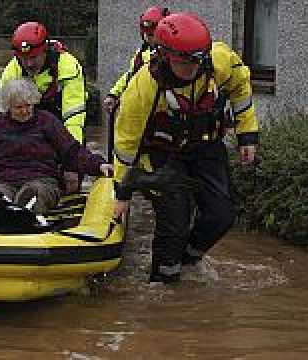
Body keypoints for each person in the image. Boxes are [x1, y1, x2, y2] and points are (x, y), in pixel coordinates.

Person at [111, 13, 259, 283]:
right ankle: (164, 283)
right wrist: (122, 192)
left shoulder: (219, 60)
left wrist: (247, 135)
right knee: (174, 221)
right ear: (166, 56)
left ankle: (190, 258)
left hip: (205, 147)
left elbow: (240, 87)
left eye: (197, 60)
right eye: (186, 61)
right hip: (163, 156)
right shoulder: (143, 87)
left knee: (221, 215)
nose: (193, 67)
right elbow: (125, 143)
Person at [0, 78, 113, 214]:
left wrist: (99, 165)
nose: (25, 111)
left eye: (28, 106)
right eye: (19, 107)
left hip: (43, 181)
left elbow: (72, 152)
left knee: (33, 193)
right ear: (8, 107)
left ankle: (27, 220)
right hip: (5, 182)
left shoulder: (47, 122)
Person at [0, 22, 87, 194]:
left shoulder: (68, 67)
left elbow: (74, 119)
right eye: (24, 59)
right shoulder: (12, 71)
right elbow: (4, 122)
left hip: (61, 131)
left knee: (68, 182)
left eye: (33, 58)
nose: (29, 64)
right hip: (29, 135)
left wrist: (72, 166)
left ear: (45, 50)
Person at [103, 6, 170, 114]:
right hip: (143, 110)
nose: (149, 38)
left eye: (152, 35)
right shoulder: (142, 53)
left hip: (164, 113)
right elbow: (131, 75)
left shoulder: (173, 55)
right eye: (146, 34)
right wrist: (113, 95)